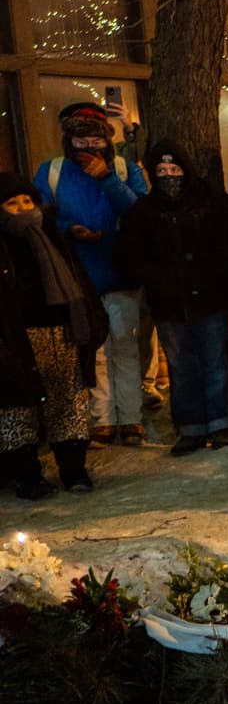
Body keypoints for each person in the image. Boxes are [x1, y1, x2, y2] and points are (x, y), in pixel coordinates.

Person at [34, 102, 149, 447]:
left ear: (106, 140)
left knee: (126, 346)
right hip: (76, 273)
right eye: (81, 142)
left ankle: (131, 417)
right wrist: (71, 229)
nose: (88, 148)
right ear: (69, 140)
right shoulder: (52, 171)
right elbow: (42, 217)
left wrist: (107, 179)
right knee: (94, 350)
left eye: (95, 141)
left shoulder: (125, 169)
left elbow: (139, 212)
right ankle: (102, 418)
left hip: (120, 270)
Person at [115, 141, 228, 455]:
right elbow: (132, 254)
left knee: (215, 363)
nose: (169, 176)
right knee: (181, 367)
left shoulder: (208, 201)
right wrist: (158, 279)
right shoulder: (145, 210)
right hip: (169, 302)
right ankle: (191, 428)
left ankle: (221, 423)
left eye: (174, 169)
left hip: (210, 297)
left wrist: (211, 275)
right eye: (161, 171)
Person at [0, 174, 106, 496]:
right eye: (11, 203)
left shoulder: (52, 236)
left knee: (67, 405)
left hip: (61, 333)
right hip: (16, 340)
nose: (21, 208)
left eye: (26, 201)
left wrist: (91, 322)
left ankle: (74, 471)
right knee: (18, 409)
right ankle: (28, 476)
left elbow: (78, 281)